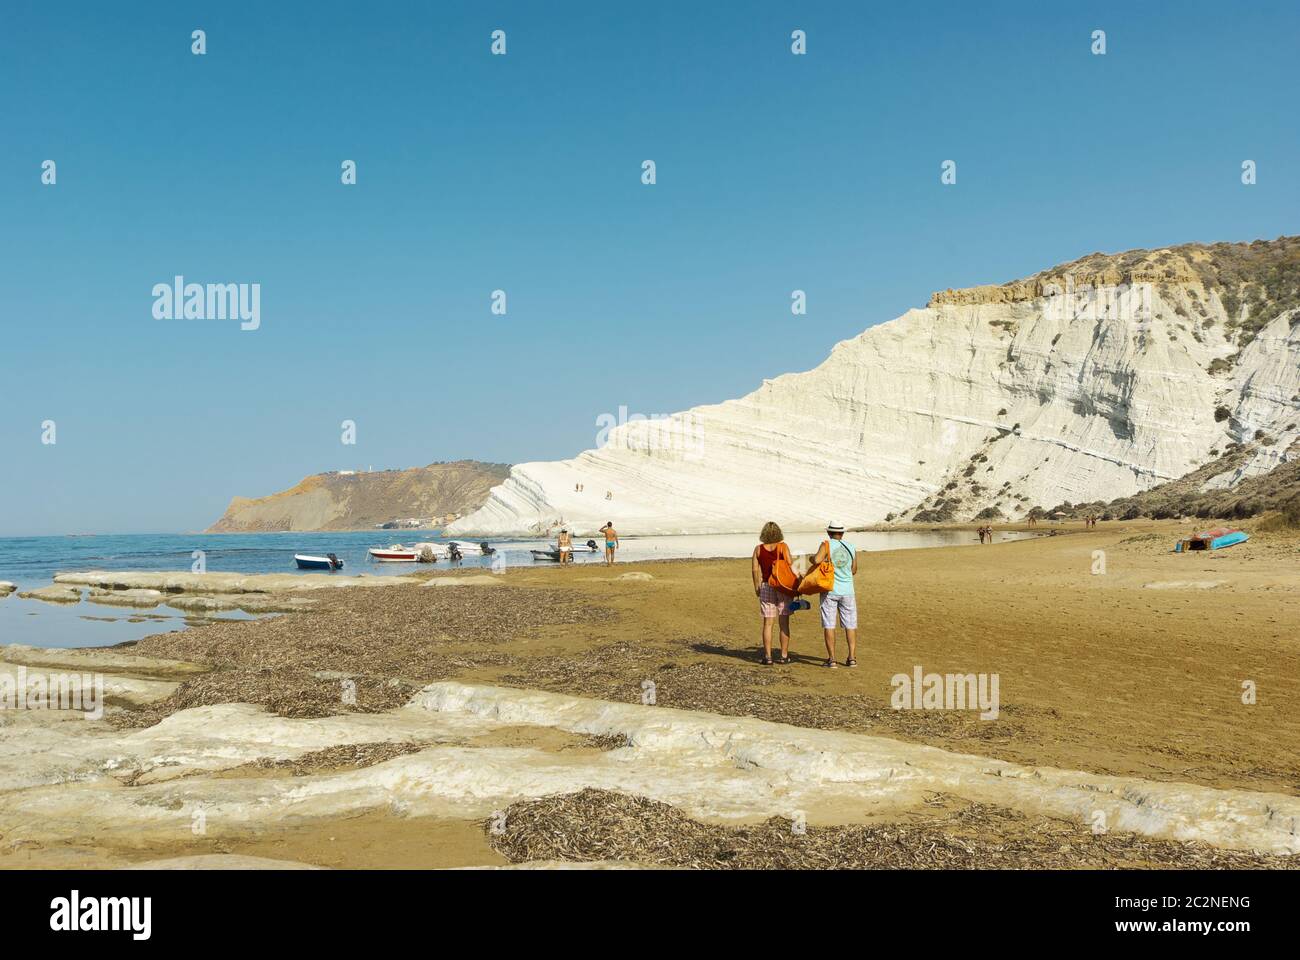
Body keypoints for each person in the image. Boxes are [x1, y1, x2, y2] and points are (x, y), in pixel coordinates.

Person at [811, 522, 858, 668]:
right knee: (850, 624)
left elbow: (817, 560)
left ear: (829, 533)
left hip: (830, 589)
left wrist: (811, 559)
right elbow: (854, 570)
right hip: (848, 590)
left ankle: (832, 659)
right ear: (842, 533)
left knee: (829, 624)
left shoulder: (826, 544)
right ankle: (851, 658)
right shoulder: (851, 547)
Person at [752, 521, 794, 665]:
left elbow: (755, 570)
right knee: (784, 622)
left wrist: (756, 586)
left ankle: (768, 656)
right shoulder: (783, 547)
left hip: (766, 585)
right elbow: (790, 564)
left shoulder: (758, 549)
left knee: (768, 623)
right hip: (782, 586)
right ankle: (783, 655)